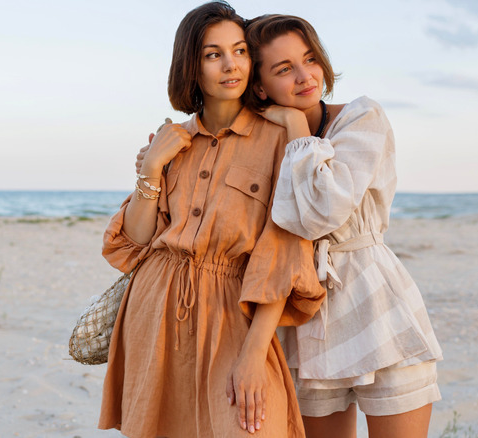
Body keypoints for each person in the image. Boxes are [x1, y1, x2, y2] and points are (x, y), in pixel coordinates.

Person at [99, 3, 325, 438]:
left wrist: (254, 354)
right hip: (156, 310)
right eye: (213, 54)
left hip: (234, 313)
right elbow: (134, 243)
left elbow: (283, 250)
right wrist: (151, 170)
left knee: (254, 424)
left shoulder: (282, 138)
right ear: (192, 66)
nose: (231, 65)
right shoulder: (172, 140)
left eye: (239, 51)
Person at [242, 14, 445, 438]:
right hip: (302, 313)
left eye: (310, 59)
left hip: (375, 302)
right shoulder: (260, 138)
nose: (304, 76)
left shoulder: (361, 118)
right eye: (284, 69)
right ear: (259, 86)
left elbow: (323, 211)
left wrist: (298, 128)